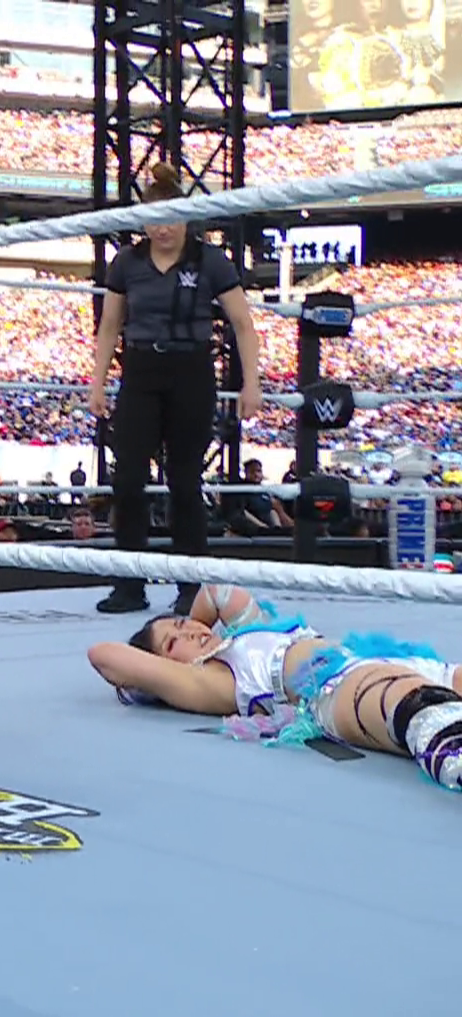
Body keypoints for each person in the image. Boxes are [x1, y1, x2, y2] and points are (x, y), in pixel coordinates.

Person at [87, 162, 264, 616]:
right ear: (143, 221)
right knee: (128, 478)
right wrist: (97, 382)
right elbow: (109, 326)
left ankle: (191, 588)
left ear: (186, 218)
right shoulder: (127, 262)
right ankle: (129, 584)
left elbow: (243, 323)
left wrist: (252, 382)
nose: (162, 229)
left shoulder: (209, 260)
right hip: (141, 369)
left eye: (170, 219)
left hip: (191, 369)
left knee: (185, 480)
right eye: (154, 220)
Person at [86, 582, 462, 792]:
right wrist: (172, 668)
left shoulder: (250, 631)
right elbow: (103, 655)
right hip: (339, 690)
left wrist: (194, 628)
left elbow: (218, 592)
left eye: (183, 624)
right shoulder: (211, 679)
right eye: (173, 643)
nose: (189, 633)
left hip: (394, 661)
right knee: (413, 703)